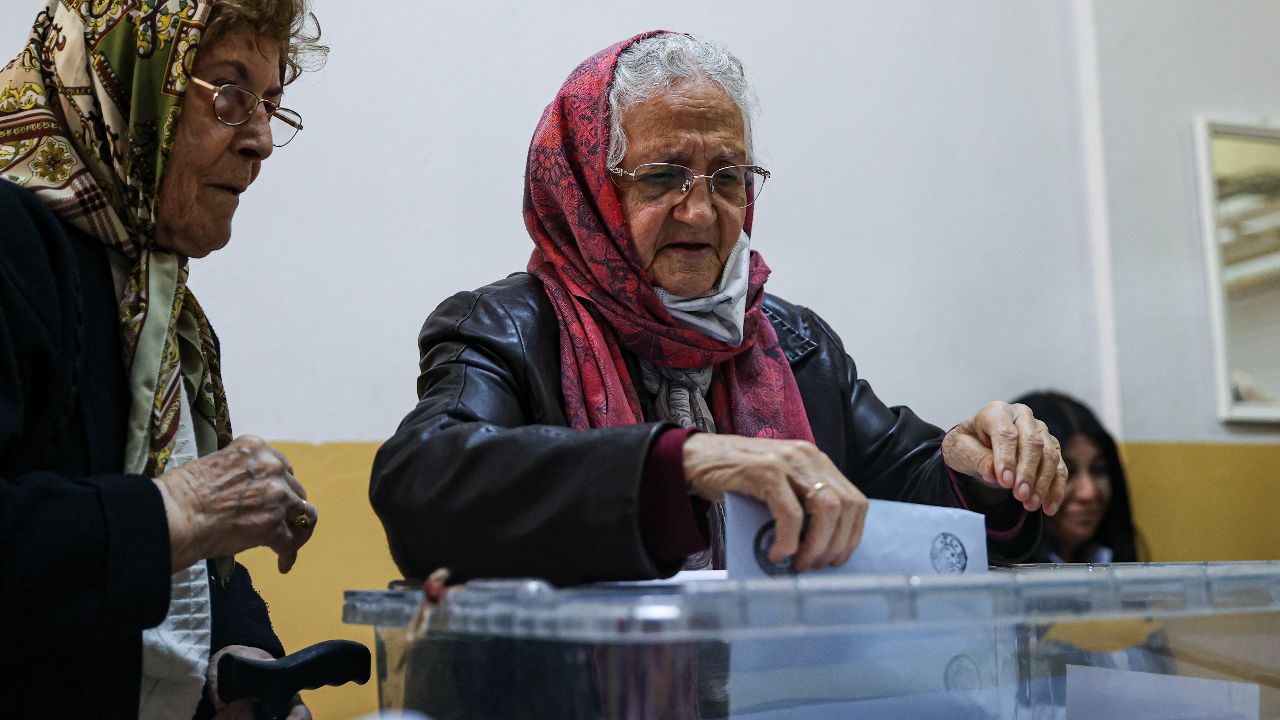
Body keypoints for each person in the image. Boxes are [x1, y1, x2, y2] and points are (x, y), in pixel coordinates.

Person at [371, 32, 1067, 587]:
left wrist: (977, 467)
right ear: (586, 188)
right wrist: (680, 463)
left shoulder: (792, 342)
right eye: (663, 176)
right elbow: (423, 487)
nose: (702, 210)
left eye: (727, 177)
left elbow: (896, 493)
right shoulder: (505, 329)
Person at [0, 1, 324, 718]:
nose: (261, 141)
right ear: (128, 84)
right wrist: (176, 509)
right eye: (231, 95)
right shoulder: (12, 241)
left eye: (271, 105)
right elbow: (155, 522)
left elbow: (175, 570)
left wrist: (245, 661)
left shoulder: (153, 292)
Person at [1011, 391, 1140, 563]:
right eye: (1066, 472)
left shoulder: (1109, 559)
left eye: (1098, 470)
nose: (1088, 493)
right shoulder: (990, 572)